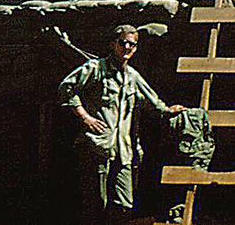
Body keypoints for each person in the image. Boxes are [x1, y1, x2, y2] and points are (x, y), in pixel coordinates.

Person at [58, 24, 187, 225]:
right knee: (96, 204)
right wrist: (86, 117)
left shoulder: (132, 77)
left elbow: (153, 102)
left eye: (132, 45)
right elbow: (66, 88)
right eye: (123, 43)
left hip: (124, 152)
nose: (127, 48)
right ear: (113, 44)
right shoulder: (95, 69)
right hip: (97, 147)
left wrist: (170, 110)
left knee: (123, 204)